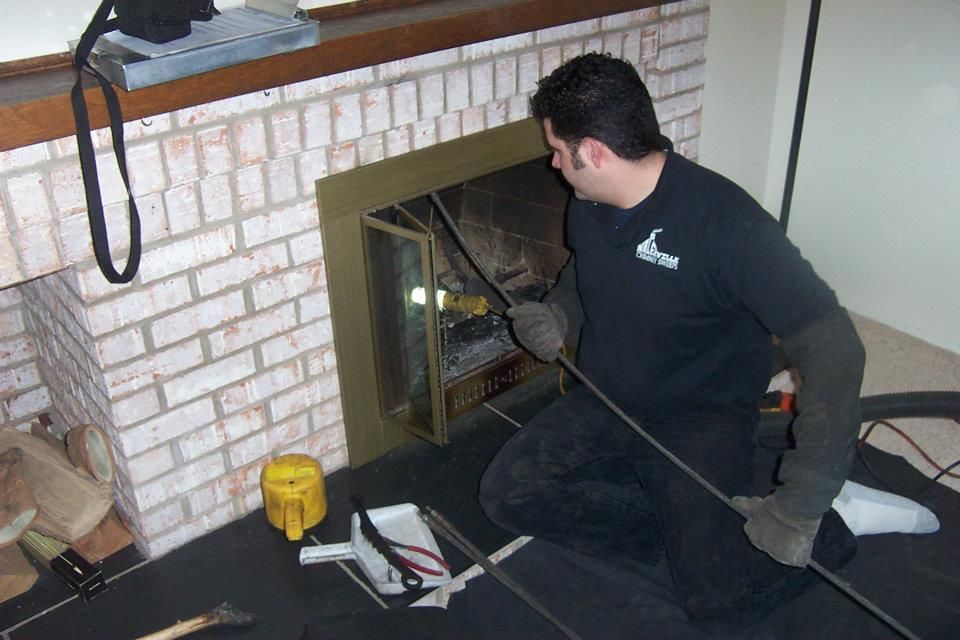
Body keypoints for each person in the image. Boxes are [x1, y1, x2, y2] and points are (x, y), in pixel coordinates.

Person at [478, 52, 938, 624]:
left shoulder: (729, 227)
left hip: (699, 415)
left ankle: (835, 520)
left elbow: (837, 352)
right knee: (505, 496)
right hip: (610, 401)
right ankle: (684, 538)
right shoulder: (588, 202)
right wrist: (560, 315)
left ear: (593, 151)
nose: (552, 163)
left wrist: (800, 505)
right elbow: (583, 271)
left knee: (719, 604)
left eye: (558, 149)